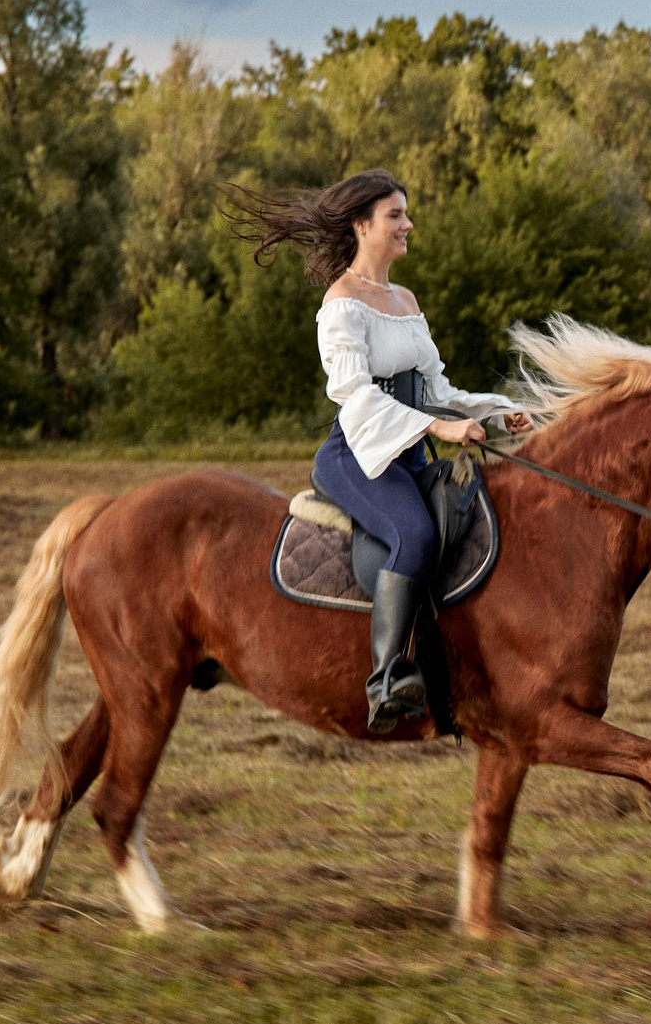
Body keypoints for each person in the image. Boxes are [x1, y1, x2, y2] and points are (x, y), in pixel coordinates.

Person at [228, 170, 532, 734]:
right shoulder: (340, 305)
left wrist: (492, 411)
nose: (407, 224)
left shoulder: (404, 300)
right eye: (395, 215)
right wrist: (440, 430)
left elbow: (438, 391)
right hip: (359, 458)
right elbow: (356, 397)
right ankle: (388, 679)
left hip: (410, 454)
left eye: (405, 214)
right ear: (362, 225)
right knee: (413, 534)